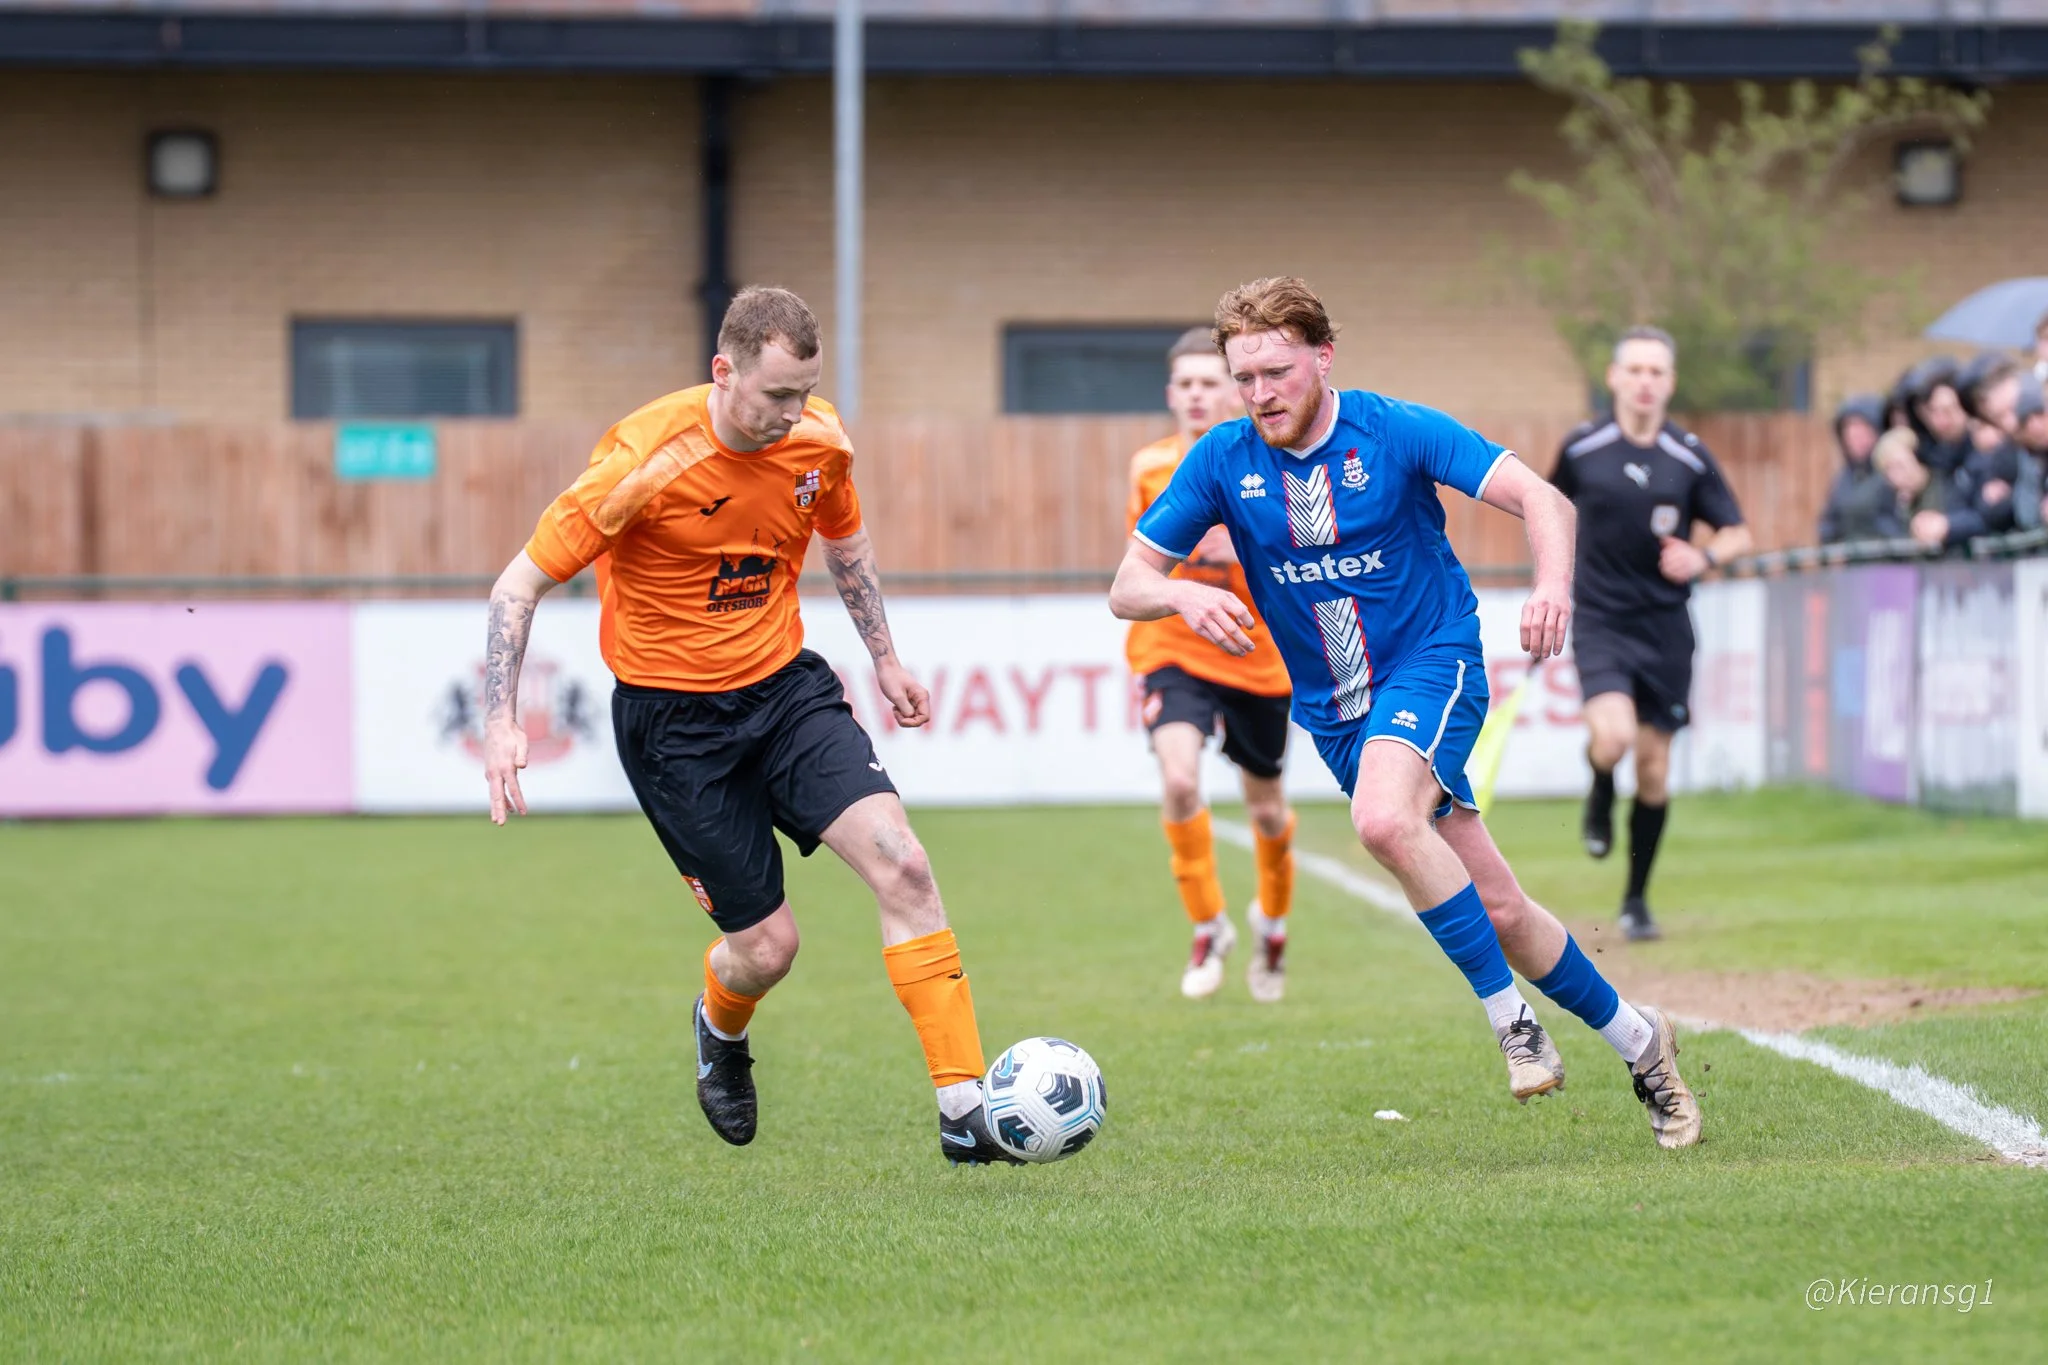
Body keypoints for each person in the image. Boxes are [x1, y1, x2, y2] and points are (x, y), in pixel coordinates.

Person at [1111, 277, 1700, 1149]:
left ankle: (1512, 1023)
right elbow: (1127, 584)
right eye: (1245, 378)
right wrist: (1182, 599)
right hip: (1340, 712)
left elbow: (1545, 498)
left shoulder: (1395, 429)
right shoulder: (1222, 460)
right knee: (1501, 911)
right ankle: (1643, 1042)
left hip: (1434, 663)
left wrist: (1550, 585)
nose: (1260, 393)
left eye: (1276, 371)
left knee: (1383, 819)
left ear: (1322, 356)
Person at [481, 286, 1020, 1166]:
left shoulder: (819, 440)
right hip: (673, 726)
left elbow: (844, 541)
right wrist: (500, 720)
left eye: (804, 392)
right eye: (775, 394)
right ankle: (719, 1027)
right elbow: (518, 585)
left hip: (784, 693)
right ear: (723, 372)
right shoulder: (639, 460)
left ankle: (964, 1110)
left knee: (906, 863)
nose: (792, 413)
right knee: (767, 949)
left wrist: (884, 656)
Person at [1551, 327, 1752, 943]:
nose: (1645, 382)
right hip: (1601, 619)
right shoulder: (1584, 449)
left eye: (1657, 372)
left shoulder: (1688, 456)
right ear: (1613, 377)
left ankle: (1636, 899)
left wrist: (1703, 557)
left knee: (1657, 769)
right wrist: (1551, 584)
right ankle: (1599, 783)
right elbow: (1548, 512)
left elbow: (1737, 532)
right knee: (1610, 740)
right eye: (1634, 370)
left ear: (1670, 382)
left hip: (1666, 626)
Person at [1125, 328, 1298, 1002]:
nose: (1198, 395)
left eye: (1210, 382)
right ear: (1172, 395)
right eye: (1187, 384)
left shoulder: (1273, 461)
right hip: (1175, 647)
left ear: (1233, 391)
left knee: (1267, 808)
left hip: (1258, 654)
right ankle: (1208, 925)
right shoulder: (1149, 467)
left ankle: (1274, 920)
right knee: (1177, 780)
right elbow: (1143, 563)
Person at [1816, 394, 1889, 544]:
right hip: (1851, 563)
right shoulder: (1844, 479)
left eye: (1863, 428)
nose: (1855, 436)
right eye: (1850, 429)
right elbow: (1829, 522)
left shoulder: (1890, 474)